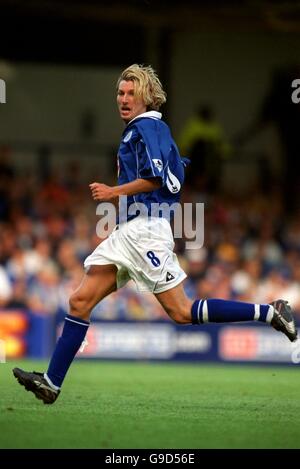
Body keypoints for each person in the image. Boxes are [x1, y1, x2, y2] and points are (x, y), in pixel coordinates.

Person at [13, 64, 297, 405]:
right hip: (130, 231)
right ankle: (51, 383)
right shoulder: (153, 131)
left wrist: (113, 191)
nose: (124, 98)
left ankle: (270, 312)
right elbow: (172, 173)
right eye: (120, 92)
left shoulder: (145, 128)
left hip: (145, 230)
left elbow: (156, 179)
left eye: (132, 93)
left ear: (147, 98)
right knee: (79, 301)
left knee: (181, 311)